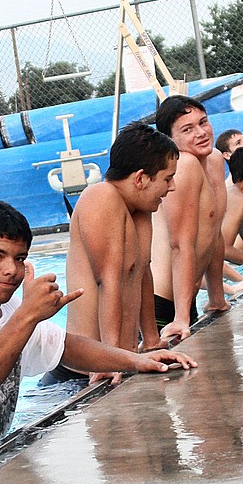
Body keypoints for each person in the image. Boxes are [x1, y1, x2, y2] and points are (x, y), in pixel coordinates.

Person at [0, 200, 195, 453]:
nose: (11, 269)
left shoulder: (8, 308)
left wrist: (138, 360)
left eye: (19, 258)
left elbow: (67, 347)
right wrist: (27, 315)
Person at [48, 123, 178, 385]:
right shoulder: (101, 196)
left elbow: (142, 272)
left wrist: (151, 341)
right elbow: (108, 280)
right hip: (81, 374)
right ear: (140, 179)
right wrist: (111, 358)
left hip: (119, 361)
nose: (172, 187)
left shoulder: (141, 208)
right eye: (167, 178)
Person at [149, 96, 230, 343]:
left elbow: (214, 231)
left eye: (203, 122)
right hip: (163, 305)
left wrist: (217, 297)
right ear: (170, 140)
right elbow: (180, 244)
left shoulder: (214, 159)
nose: (201, 133)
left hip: (185, 298)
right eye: (187, 129)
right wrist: (182, 318)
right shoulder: (182, 166)